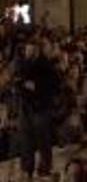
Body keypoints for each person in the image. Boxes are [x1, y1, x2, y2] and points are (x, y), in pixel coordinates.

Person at [14, 40, 61, 179]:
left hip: (40, 107)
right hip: (26, 106)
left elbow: (51, 87)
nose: (27, 52)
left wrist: (33, 86)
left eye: (30, 50)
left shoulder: (46, 66)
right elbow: (19, 83)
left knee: (43, 140)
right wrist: (24, 85)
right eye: (26, 50)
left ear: (36, 50)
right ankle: (27, 170)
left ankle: (45, 168)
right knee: (26, 140)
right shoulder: (23, 64)